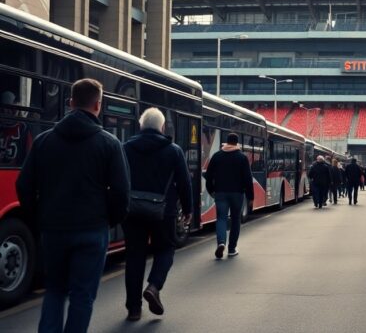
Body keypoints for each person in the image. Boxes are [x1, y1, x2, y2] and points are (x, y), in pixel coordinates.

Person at [16, 78, 130, 332]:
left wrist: (39, 218)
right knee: (82, 295)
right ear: (98, 105)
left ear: (70, 103)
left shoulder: (44, 141)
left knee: (55, 290)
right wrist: (109, 220)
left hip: (53, 230)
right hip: (92, 230)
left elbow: (24, 185)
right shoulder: (110, 144)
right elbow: (122, 192)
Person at [122, 107, 192, 321]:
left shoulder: (125, 147)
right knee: (166, 250)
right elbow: (184, 182)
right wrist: (188, 210)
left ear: (141, 126)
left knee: (134, 257)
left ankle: (134, 309)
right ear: (162, 127)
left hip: (132, 211)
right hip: (164, 212)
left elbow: (117, 178)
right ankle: (154, 286)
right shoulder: (173, 150)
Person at [205, 133, 254, 258]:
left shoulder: (217, 156)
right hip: (237, 194)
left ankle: (221, 243)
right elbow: (248, 179)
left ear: (226, 142)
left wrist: (211, 190)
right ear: (237, 143)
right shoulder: (242, 158)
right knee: (235, 219)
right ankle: (232, 249)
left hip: (220, 193)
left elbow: (209, 175)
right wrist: (250, 197)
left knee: (221, 218)